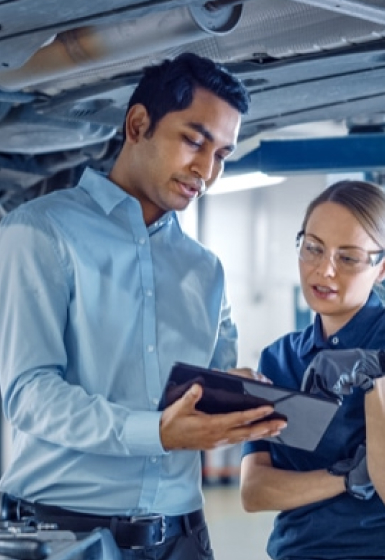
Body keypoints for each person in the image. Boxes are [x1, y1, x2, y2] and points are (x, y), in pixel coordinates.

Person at [0, 52, 287, 560]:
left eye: (222, 154)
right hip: (68, 537)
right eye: (195, 140)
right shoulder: (39, 232)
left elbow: (207, 382)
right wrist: (154, 432)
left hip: (182, 538)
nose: (207, 170)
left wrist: (235, 397)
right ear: (138, 124)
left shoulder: (205, 269)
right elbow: (27, 392)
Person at [240, 180, 385, 560]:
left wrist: (375, 378)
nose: (324, 270)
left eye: (349, 258)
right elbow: (255, 491)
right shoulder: (280, 358)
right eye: (313, 248)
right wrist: (349, 476)